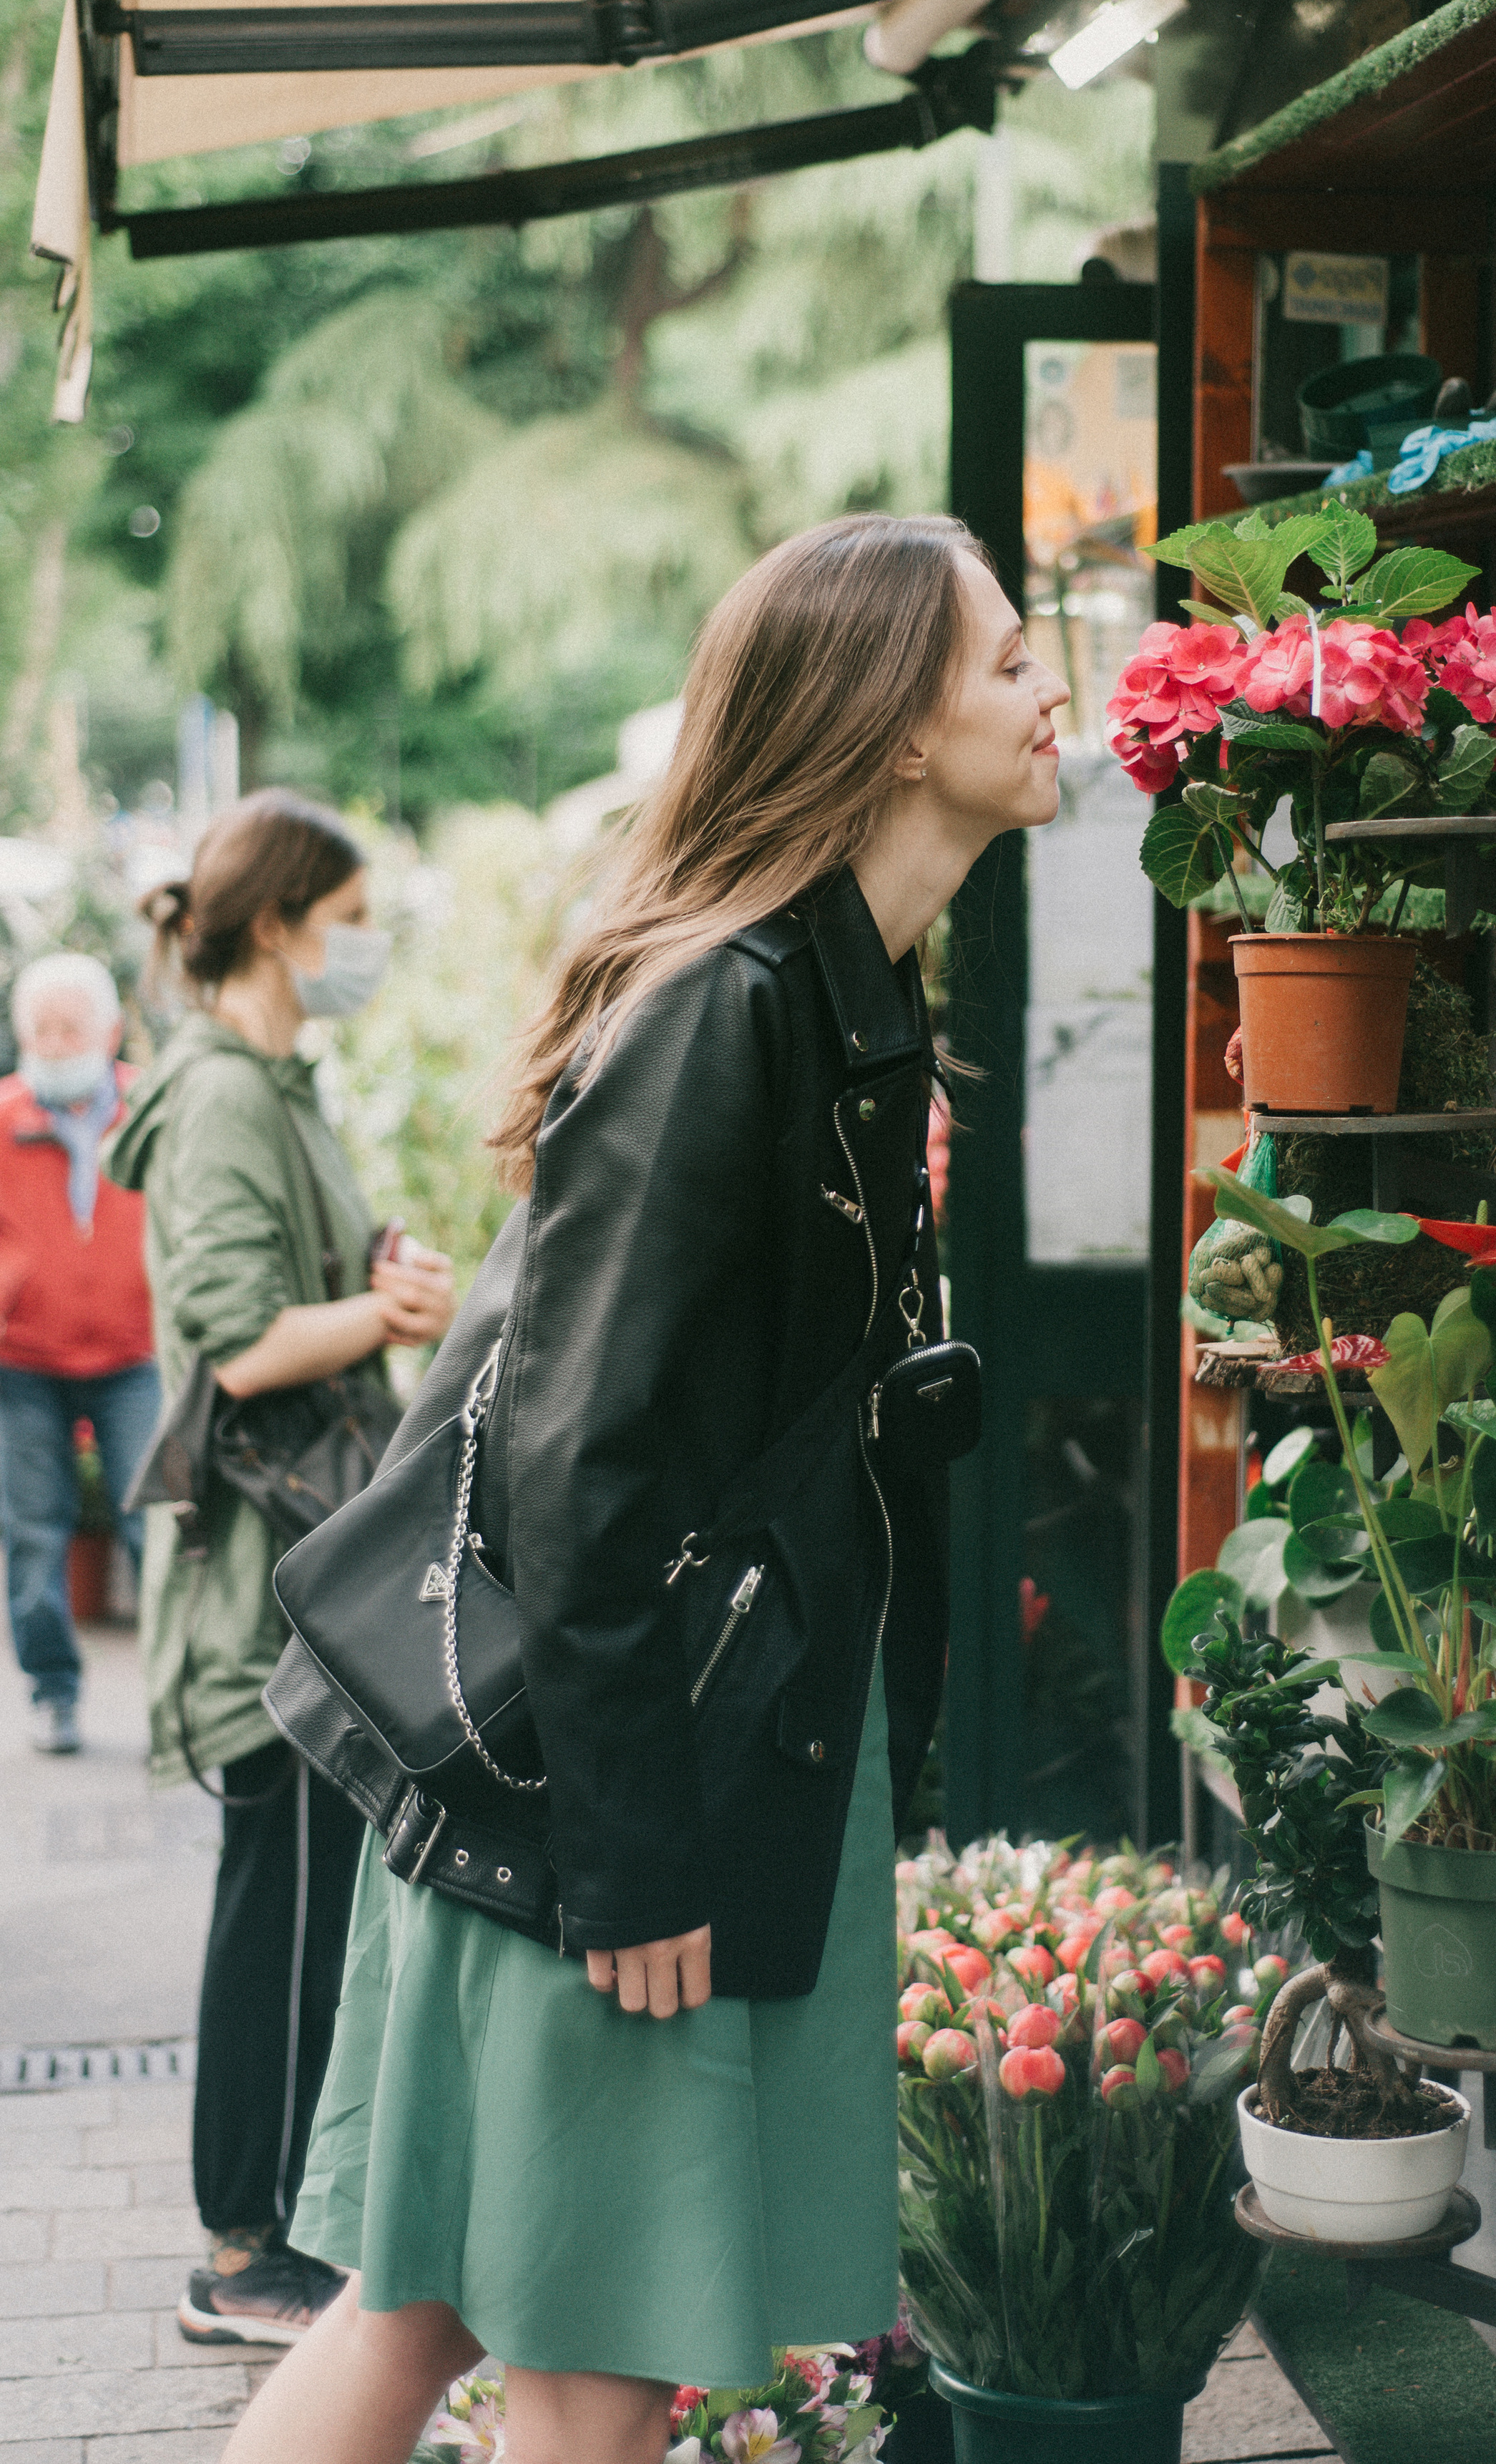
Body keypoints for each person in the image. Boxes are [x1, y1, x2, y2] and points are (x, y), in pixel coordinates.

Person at [217, 514, 1067, 2464]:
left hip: (667, 1758)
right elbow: (579, 1459)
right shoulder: (733, 1005)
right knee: (588, 2362)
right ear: (885, 717)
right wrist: (634, 1857)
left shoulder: (842, 990)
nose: (1054, 690)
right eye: (1009, 658)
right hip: (634, 1790)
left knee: (427, 2314)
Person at [112, 790, 456, 2355]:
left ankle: (266, 2241)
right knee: (283, 1924)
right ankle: (246, 2255)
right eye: (347, 919)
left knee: (301, 1914)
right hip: (271, 1594)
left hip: (299, 1580)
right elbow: (240, 1342)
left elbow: (291, 1289)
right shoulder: (222, 1100)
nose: (362, 948)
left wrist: (378, 1277)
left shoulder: (265, 1083)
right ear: (275, 924)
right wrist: (385, 1321)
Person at [0, 951, 162, 1756]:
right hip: (23, 1362)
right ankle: (52, 1693)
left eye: (70, 1026)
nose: (56, 1042)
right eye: (40, 1028)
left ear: (111, 1028)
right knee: (33, 1533)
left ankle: (180, 1695)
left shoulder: (151, 1107)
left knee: (160, 1524)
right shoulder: (1, 1118)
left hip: (139, 1354)